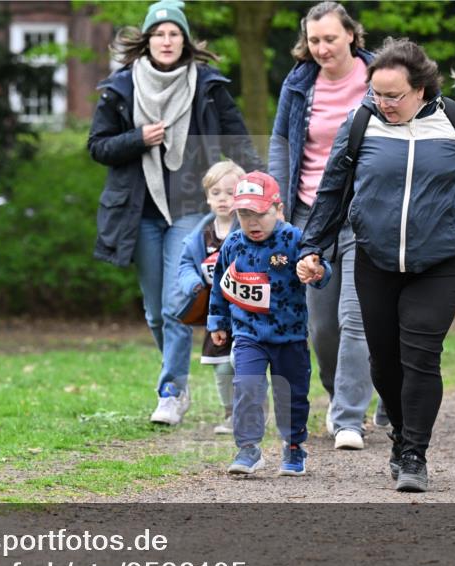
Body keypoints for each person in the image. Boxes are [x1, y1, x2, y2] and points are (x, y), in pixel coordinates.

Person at [297, 38, 455, 492]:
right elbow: (332, 190)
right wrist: (312, 246)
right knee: (384, 363)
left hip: (441, 260)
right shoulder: (360, 122)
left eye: (393, 95)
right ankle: (399, 432)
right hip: (375, 259)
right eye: (377, 93)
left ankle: (414, 452)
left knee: (422, 357)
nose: (383, 103)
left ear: (421, 90)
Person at [87, 0, 260, 427]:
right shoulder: (121, 87)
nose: (167, 40)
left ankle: (170, 391)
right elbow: (98, 146)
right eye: (159, 33)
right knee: (153, 310)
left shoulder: (207, 85)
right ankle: (178, 384)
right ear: (147, 40)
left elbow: (236, 139)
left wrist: (258, 188)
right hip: (140, 212)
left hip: (189, 208)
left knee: (175, 304)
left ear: (185, 41)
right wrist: (138, 138)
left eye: (174, 33)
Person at [268, 1, 376, 450]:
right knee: (322, 325)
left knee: (355, 318)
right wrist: (277, 202)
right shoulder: (299, 85)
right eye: (314, 40)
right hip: (310, 217)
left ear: (351, 34)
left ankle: (350, 417)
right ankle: (338, 397)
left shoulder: (379, 79)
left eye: (330, 38)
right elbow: (281, 142)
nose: (322, 48)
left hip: (365, 213)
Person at [207, 172, 330, 476]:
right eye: (245, 214)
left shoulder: (294, 238)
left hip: (290, 336)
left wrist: (316, 271)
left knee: (291, 394)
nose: (252, 222)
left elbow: (318, 268)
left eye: (260, 214)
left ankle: (293, 447)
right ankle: (248, 448)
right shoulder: (233, 243)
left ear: (278, 209)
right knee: (247, 386)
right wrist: (217, 321)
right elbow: (220, 286)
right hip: (248, 333)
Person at [177, 160, 245, 435]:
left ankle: (251, 409)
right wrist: (192, 284)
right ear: (207, 197)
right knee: (220, 367)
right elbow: (185, 266)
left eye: (230, 193)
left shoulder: (248, 231)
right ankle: (230, 412)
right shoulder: (200, 236)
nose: (223, 199)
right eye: (216, 193)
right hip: (215, 314)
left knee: (242, 361)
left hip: (245, 310)